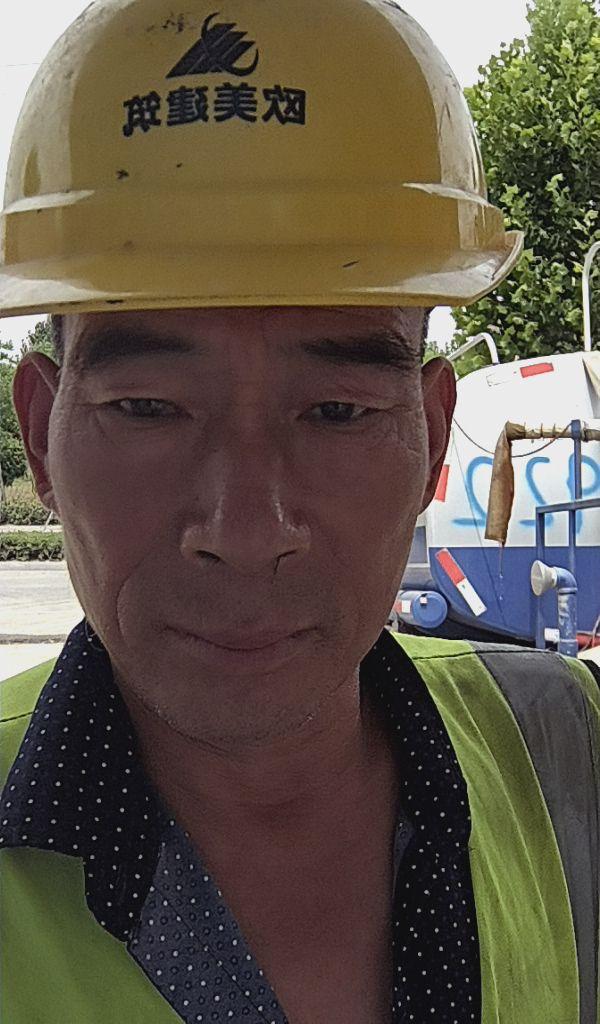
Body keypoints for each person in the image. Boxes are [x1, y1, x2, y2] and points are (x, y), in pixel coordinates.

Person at [0, 1, 598, 1022]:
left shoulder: (568, 756)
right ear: (42, 434)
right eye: (148, 408)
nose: (244, 531)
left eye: (335, 411)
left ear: (432, 435)